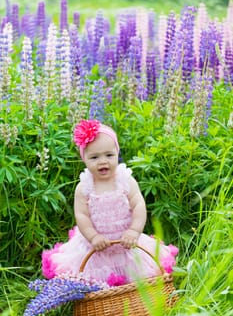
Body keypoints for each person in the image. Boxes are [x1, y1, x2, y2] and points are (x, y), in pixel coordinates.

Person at [42, 119, 178, 284]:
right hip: (96, 250)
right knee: (94, 283)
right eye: (94, 157)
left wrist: (134, 231)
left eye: (109, 155)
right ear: (84, 159)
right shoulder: (84, 186)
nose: (103, 161)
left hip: (127, 244)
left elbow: (138, 205)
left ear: (117, 154)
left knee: (137, 277)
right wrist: (93, 237)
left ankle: (134, 303)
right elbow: (82, 215)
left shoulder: (125, 180)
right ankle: (102, 307)